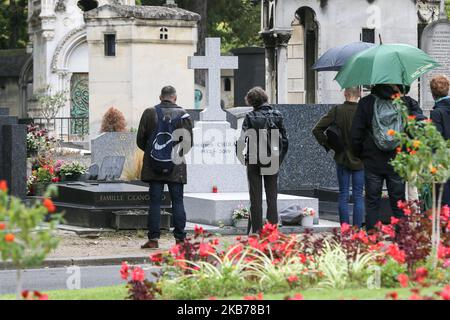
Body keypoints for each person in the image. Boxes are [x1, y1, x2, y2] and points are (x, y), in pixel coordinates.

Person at [137, 86, 193, 249]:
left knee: (154, 202)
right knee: (177, 201)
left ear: (160, 97)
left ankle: (153, 239)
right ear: (175, 98)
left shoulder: (149, 112)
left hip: (154, 165)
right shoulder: (184, 115)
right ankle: (180, 240)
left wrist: (154, 153)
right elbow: (188, 143)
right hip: (176, 166)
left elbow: (140, 139)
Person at [351, 84, 412, 232]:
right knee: (398, 201)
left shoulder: (366, 103)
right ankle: (402, 239)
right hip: (397, 159)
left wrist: (360, 154)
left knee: (372, 202)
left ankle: (373, 239)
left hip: (372, 160)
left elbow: (356, 134)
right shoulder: (404, 103)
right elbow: (413, 130)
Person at [237, 87, 289, 234]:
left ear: (252, 102)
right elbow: (285, 141)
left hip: (254, 159)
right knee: (272, 197)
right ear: (265, 98)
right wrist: (279, 159)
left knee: (255, 197)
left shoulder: (250, 117)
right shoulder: (277, 115)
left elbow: (242, 140)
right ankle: (272, 231)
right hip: (272, 159)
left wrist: (242, 158)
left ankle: (257, 231)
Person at [312, 87, 364, 227]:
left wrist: (329, 145)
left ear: (345, 94)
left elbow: (317, 129)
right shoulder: (363, 111)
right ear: (359, 94)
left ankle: (345, 230)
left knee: (343, 194)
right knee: (358, 195)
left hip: (342, 157)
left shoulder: (337, 110)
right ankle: (358, 231)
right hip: (360, 159)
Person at [430, 75, 450, 206]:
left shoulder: (437, 113)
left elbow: (436, 140)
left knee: (443, 199)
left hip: (443, 160)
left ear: (433, 93)